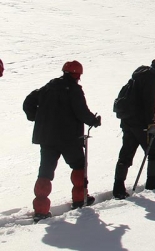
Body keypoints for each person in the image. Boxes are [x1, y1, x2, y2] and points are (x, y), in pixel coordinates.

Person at [23, 61, 101, 222]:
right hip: (69, 138)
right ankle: (80, 199)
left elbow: (28, 102)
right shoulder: (74, 90)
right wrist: (93, 121)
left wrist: (37, 117)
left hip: (47, 138)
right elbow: (81, 111)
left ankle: (41, 210)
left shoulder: (47, 87)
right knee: (79, 166)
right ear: (76, 75)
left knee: (45, 172)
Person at [112, 58, 155, 199]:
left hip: (127, 122)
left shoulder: (138, 75)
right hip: (141, 123)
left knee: (126, 153)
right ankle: (152, 184)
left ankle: (118, 188)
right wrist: (151, 123)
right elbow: (149, 103)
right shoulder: (150, 79)